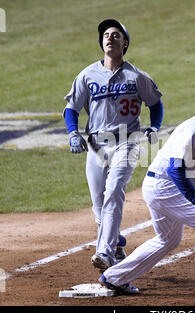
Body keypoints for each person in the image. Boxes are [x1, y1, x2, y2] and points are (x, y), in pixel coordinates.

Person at [98, 94, 195, 302]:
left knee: (167, 239)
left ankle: (114, 277)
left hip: (161, 186)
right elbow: (176, 169)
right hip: (164, 186)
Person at [63, 19, 164, 272]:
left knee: (114, 191)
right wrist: (73, 133)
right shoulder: (87, 75)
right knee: (98, 205)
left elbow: (155, 103)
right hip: (97, 144)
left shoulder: (137, 76)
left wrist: (154, 126)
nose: (109, 37)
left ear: (125, 43)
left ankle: (105, 253)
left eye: (116, 35)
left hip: (127, 142)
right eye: (106, 35)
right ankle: (117, 244)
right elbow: (71, 108)